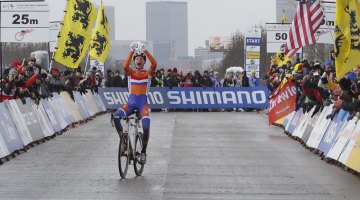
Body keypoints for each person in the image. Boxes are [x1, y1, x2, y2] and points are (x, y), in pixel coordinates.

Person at [112, 41, 157, 164]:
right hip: (130, 104)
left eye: (141, 59)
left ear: (144, 61)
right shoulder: (130, 72)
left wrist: (145, 51)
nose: (139, 60)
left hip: (143, 105)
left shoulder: (148, 73)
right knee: (116, 116)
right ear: (134, 61)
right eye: (136, 59)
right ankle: (124, 141)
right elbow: (125, 66)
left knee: (146, 126)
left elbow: (154, 63)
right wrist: (131, 50)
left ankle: (143, 151)